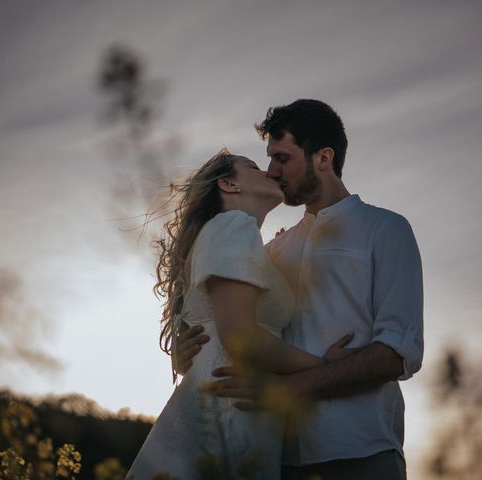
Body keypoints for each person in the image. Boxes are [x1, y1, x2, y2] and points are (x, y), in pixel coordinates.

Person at [176, 99, 424, 480]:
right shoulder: (272, 249)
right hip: (278, 457)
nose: (272, 172)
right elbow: (233, 323)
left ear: (323, 158)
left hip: (362, 450)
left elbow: (398, 352)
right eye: (267, 161)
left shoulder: (386, 230)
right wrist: (187, 350)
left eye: (282, 158)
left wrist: (288, 390)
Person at [126, 149, 353, 480]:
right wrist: (325, 367)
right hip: (234, 400)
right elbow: (239, 336)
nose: (271, 173)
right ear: (229, 184)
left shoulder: (227, 235)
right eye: (254, 167)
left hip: (222, 394)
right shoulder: (234, 225)